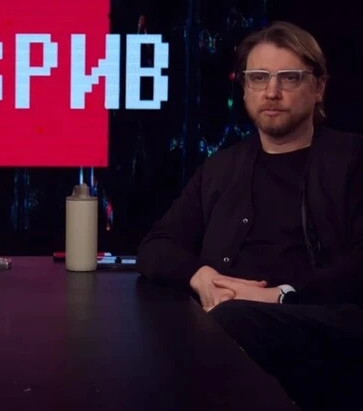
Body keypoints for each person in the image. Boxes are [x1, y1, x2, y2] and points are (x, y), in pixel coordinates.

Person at [137, 21, 363, 410]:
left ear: (319, 87)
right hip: (229, 323)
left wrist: (280, 296)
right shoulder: (221, 168)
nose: (271, 92)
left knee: (226, 324)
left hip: (324, 325)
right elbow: (155, 246)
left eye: (289, 78)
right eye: (258, 78)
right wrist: (202, 276)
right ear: (244, 88)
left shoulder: (353, 159)